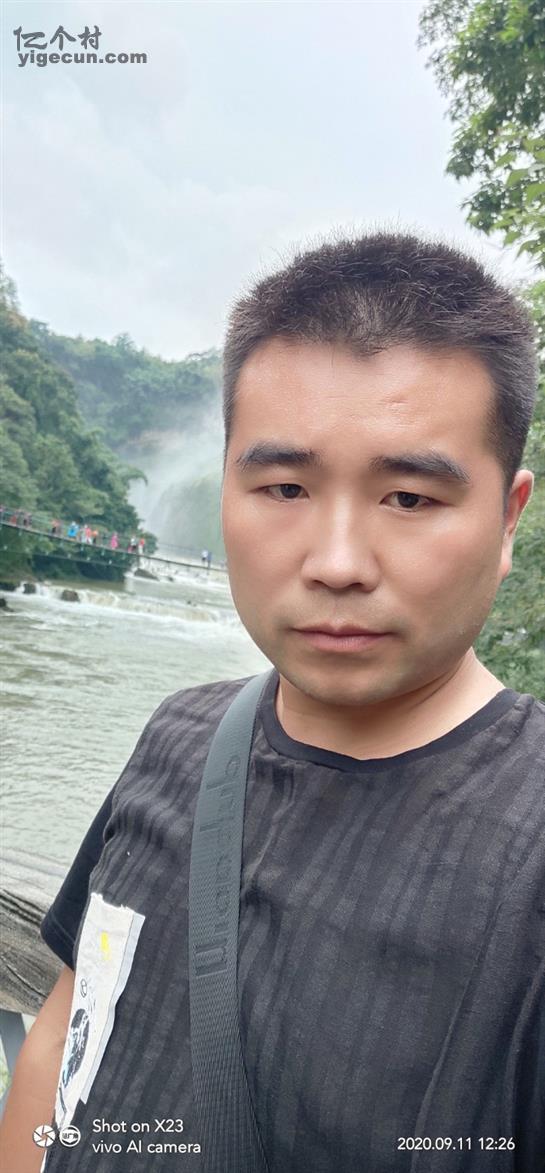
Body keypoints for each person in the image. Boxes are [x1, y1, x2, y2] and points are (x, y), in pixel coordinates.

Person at [1, 230, 544, 1173]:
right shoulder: (178, 734)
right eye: (284, 486)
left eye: (408, 498)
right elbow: (61, 1029)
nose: (335, 562)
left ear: (506, 519)